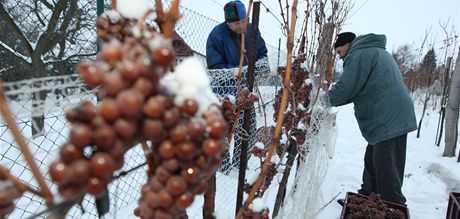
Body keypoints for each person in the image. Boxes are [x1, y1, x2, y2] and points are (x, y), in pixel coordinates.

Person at [329, 32, 417, 205]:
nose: (339, 58)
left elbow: (347, 87)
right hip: (390, 114)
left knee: (386, 167)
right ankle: (367, 197)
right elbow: (356, 89)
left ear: (347, 45)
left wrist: (322, 101)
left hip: (388, 116)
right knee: (373, 158)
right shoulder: (373, 51)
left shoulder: (359, 54)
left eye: (339, 52)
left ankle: (394, 208)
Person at [206, 0, 268, 172]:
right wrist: (241, 72)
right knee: (223, 134)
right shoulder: (216, 36)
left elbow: (262, 55)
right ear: (227, 22)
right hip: (224, 94)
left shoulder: (252, 30)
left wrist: (261, 67)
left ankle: (240, 166)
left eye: (243, 21)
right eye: (235, 24)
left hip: (246, 93)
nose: (241, 26)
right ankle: (223, 170)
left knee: (247, 130)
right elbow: (215, 69)